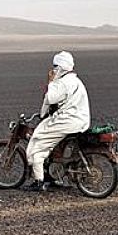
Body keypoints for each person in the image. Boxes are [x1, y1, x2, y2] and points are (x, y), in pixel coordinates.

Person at [25, 50, 90, 192]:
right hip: (81, 120)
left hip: (67, 121)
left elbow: (50, 98)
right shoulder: (76, 81)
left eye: (55, 66)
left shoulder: (62, 82)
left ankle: (39, 181)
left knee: (37, 142)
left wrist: (51, 81)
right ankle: (52, 175)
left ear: (60, 67)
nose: (53, 69)